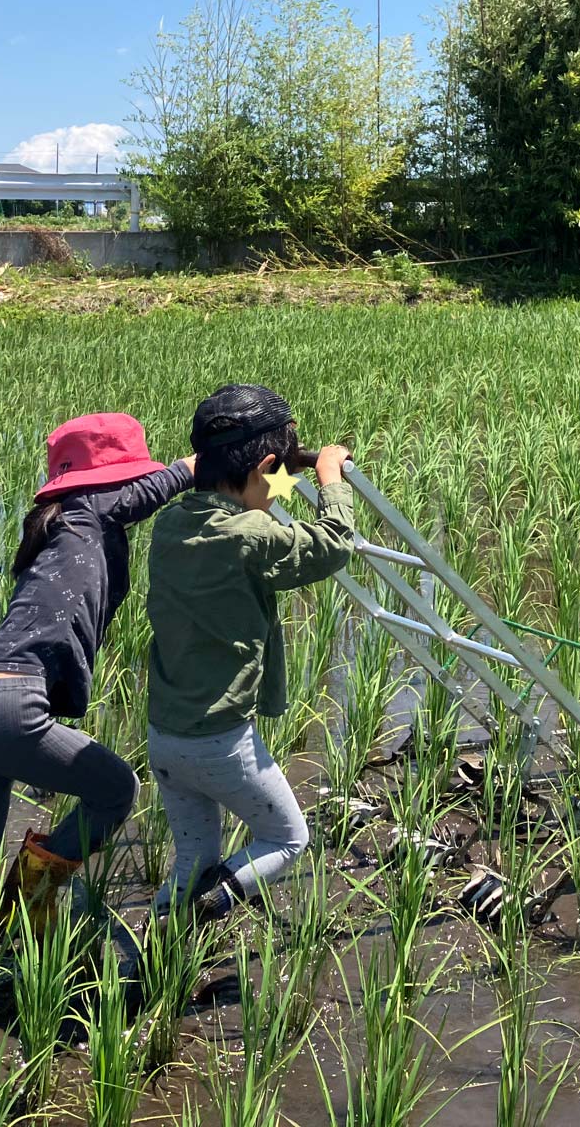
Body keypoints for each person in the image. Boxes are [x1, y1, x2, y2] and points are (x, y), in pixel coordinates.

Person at [0, 414, 194, 945]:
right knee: (117, 789)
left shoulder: (58, 525)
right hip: (12, 704)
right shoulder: (91, 511)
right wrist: (198, 464)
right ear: (109, 482)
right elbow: (143, 493)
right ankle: (30, 892)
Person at [145, 384, 355, 921]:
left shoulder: (171, 524)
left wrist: (281, 471)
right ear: (264, 465)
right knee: (286, 839)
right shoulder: (252, 537)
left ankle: (157, 946)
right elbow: (332, 544)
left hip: (165, 737)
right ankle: (212, 906)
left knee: (193, 856)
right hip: (221, 743)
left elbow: (251, 499)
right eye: (278, 472)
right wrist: (327, 473)